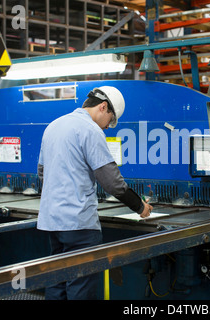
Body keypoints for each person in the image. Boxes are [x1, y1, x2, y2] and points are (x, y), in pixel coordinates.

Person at [37, 86, 153, 300]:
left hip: (52, 221)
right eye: (110, 120)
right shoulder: (90, 130)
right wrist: (140, 206)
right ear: (103, 107)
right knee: (81, 284)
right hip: (79, 224)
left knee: (57, 280)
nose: (108, 126)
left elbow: (42, 173)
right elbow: (112, 182)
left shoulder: (53, 126)